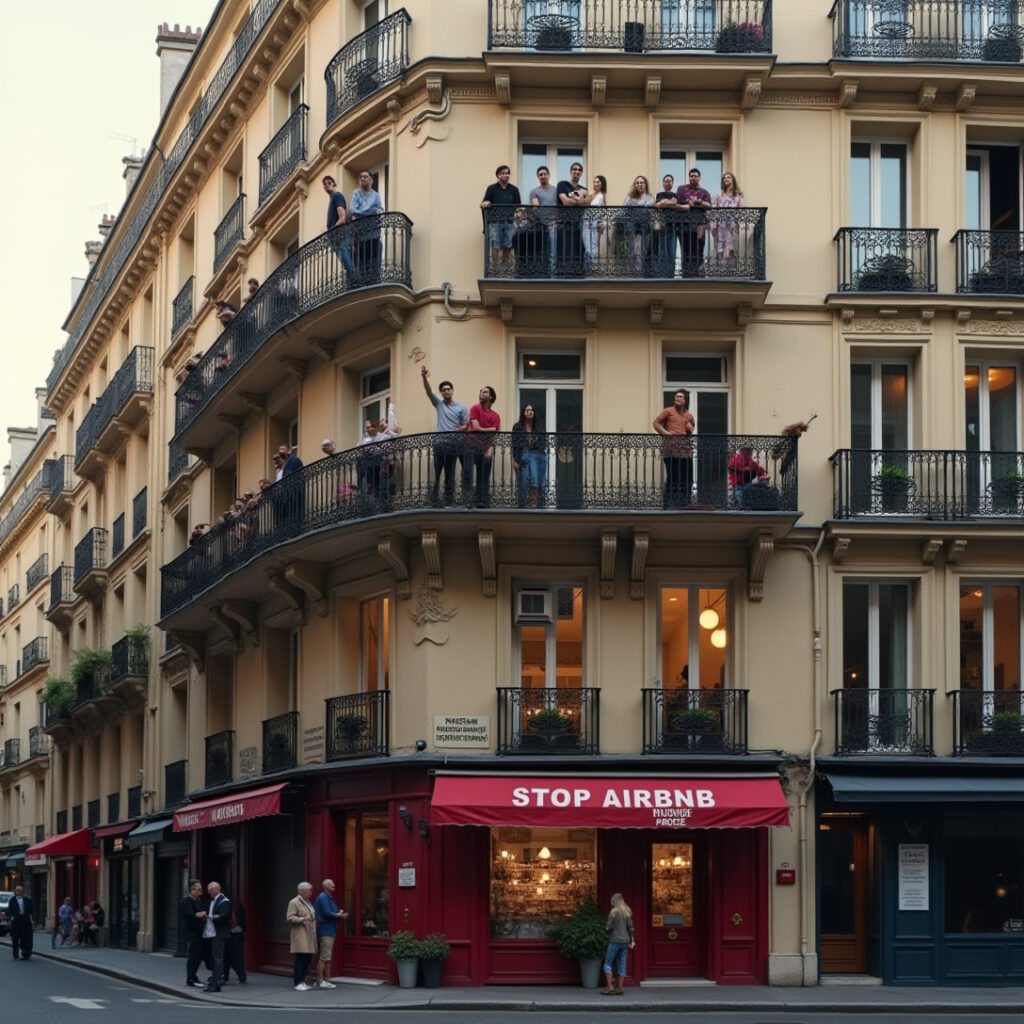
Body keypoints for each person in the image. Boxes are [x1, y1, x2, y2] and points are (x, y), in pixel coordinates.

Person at [421, 365, 468, 505]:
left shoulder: (462, 407)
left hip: (454, 444)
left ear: (452, 391)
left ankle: (448, 499)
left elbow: (466, 425)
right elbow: (428, 392)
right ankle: (434, 498)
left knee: (449, 473)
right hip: (439, 443)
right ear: (441, 393)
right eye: (444, 390)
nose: (446, 391)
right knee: (437, 471)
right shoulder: (439, 404)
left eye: (448, 389)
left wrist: (455, 431)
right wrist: (423, 377)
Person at [653, 389, 696, 509]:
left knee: (687, 478)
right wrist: (665, 433)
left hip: (686, 451)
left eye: (680, 397)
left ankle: (685, 503)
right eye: (676, 396)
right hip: (671, 451)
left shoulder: (689, 416)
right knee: (673, 478)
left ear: (685, 400)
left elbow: (691, 430)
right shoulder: (668, 411)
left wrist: (689, 429)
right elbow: (656, 423)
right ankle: (668, 504)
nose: (677, 398)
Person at [480, 164, 522, 274]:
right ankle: (496, 268)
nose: (505, 175)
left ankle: (506, 268)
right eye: (503, 173)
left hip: (509, 221)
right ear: (498, 175)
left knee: (508, 245)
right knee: (495, 244)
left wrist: (519, 214)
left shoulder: (514, 190)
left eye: (507, 173)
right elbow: (484, 202)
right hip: (495, 221)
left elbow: (518, 206)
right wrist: (484, 203)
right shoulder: (492, 188)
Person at [465, 386, 500, 508]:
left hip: (485, 447)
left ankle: (482, 501)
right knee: (468, 473)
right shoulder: (474, 408)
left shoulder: (495, 416)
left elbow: (494, 434)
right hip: (471, 446)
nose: (481, 393)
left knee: (483, 476)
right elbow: (475, 428)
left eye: (485, 392)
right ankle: (468, 500)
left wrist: (490, 449)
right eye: (480, 392)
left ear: (491, 396)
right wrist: (488, 429)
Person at [522, 165, 558, 277]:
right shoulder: (534, 191)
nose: (543, 176)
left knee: (553, 250)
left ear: (549, 175)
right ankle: (542, 273)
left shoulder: (556, 190)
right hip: (540, 225)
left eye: (544, 174)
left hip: (553, 224)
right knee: (540, 251)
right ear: (538, 177)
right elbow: (536, 207)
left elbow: (559, 207)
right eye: (540, 175)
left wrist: (556, 220)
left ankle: (552, 275)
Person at [314, 878, 349, 990]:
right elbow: (327, 913)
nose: (334, 887)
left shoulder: (328, 897)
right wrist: (339, 915)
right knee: (324, 957)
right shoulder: (323, 897)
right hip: (325, 931)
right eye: (332, 886)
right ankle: (320, 981)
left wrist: (338, 914)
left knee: (327, 957)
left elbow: (330, 912)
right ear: (327, 887)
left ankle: (326, 980)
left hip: (329, 930)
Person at [676, 168, 712, 277]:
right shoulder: (681, 189)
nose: (693, 177)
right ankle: (686, 274)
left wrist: (699, 202)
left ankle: (698, 274)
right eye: (691, 175)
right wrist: (687, 202)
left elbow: (709, 206)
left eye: (696, 176)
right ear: (689, 177)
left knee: (698, 248)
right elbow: (676, 203)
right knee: (685, 248)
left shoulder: (704, 192)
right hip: (684, 223)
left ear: (699, 178)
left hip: (699, 223)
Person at [350, 170, 384, 286]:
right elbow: (354, 210)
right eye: (361, 177)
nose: (363, 179)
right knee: (362, 256)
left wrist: (363, 213)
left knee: (374, 252)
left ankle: (374, 279)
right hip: (360, 230)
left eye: (365, 177)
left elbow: (379, 211)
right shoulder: (356, 193)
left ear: (371, 180)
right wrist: (369, 213)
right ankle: (363, 281)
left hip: (373, 229)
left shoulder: (376, 195)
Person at [511, 402, 547, 508]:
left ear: (534, 413)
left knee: (537, 480)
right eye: (527, 410)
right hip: (524, 454)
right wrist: (514, 459)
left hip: (538, 455)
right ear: (523, 413)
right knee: (524, 480)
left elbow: (543, 443)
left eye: (531, 410)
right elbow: (515, 443)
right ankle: (524, 504)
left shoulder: (539, 427)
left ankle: (534, 503)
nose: (529, 412)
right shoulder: (517, 427)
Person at [556, 161, 588, 276]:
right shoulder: (562, 184)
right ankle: (563, 274)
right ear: (570, 171)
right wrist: (578, 200)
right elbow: (565, 202)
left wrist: (574, 198)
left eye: (579, 170)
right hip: (564, 222)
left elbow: (585, 204)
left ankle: (577, 273)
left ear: (581, 173)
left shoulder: (584, 188)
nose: (577, 172)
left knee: (578, 249)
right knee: (565, 249)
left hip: (578, 223)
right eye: (574, 169)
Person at [287, 881, 318, 991]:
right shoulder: (294, 902)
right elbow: (289, 918)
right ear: (301, 891)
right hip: (301, 935)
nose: (311, 892)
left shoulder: (307, 902)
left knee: (307, 959)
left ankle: (303, 981)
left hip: (309, 934)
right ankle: (298, 982)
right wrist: (302, 919)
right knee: (301, 959)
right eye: (309, 890)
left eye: (311, 890)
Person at [602, 893, 635, 995]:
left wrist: (610, 929)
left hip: (614, 940)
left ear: (615, 901)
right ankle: (620, 988)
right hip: (625, 941)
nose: (611, 902)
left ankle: (610, 987)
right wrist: (632, 940)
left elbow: (607, 927)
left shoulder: (614, 912)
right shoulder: (627, 912)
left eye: (612, 900)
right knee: (622, 964)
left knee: (608, 963)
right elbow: (631, 928)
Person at [323, 175, 355, 279]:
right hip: (337, 235)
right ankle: (353, 279)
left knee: (345, 257)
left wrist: (332, 230)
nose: (327, 185)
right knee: (344, 258)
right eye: (324, 184)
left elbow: (342, 217)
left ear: (334, 184)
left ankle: (354, 280)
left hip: (340, 234)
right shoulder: (332, 199)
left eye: (329, 182)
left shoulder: (337, 196)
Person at [202, 881, 232, 992]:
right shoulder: (211, 901)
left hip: (219, 934)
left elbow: (224, 916)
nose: (208, 892)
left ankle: (216, 983)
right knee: (213, 958)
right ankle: (215, 979)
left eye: (210, 890)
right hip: (209, 934)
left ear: (217, 889)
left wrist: (211, 917)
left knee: (218, 959)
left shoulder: (225, 901)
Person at [621, 175, 654, 275]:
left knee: (640, 248)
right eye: (637, 183)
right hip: (631, 225)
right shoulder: (629, 197)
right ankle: (632, 271)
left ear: (645, 185)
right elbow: (624, 208)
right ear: (635, 185)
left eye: (641, 182)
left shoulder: (650, 197)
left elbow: (651, 208)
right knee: (631, 248)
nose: (639, 184)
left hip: (643, 225)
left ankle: (638, 271)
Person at [712, 171, 745, 268]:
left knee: (730, 249)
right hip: (721, 225)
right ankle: (722, 270)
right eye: (724, 178)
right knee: (721, 250)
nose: (726, 179)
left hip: (731, 226)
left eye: (728, 177)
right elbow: (717, 210)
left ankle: (730, 272)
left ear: (733, 180)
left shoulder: (738, 196)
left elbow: (742, 210)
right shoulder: (720, 195)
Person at [654, 174, 680, 278]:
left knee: (672, 252)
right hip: (663, 227)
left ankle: (671, 275)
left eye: (670, 181)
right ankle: (662, 274)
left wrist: (664, 202)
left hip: (673, 227)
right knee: (662, 252)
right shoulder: (659, 194)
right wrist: (669, 202)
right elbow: (657, 205)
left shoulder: (676, 194)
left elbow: (675, 203)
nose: (668, 182)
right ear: (663, 183)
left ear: (673, 183)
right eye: (666, 181)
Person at [582, 174, 607, 272]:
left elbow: (596, 208)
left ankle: (593, 269)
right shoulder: (592, 195)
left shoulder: (601, 196)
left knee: (592, 246)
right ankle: (589, 268)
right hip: (586, 221)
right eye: (595, 182)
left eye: (598, 182)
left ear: (602, 184)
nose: (595, 184)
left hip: (593, 222)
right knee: (587, 245)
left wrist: (601, 223)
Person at [222, 895, 248, 984]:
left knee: (232, 956)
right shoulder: (236, 904)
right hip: (236, 933)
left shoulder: (230, 905)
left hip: (233, 934)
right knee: (233, 956)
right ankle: (239, 976)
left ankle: (232, 976)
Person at [8, 884, 35, 960]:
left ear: (22, 891)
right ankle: (15, 954)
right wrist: (11, 919)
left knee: (26, 938)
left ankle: (26, 954)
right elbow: (10, 911)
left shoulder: (28, 900)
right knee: (15, 938)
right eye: (17, 890)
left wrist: (32, 920)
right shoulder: (12, 900)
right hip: (16, 921)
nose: (18, 892)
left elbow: (31, 911)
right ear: (15, 891)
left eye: (20, 890)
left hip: (25, 920)